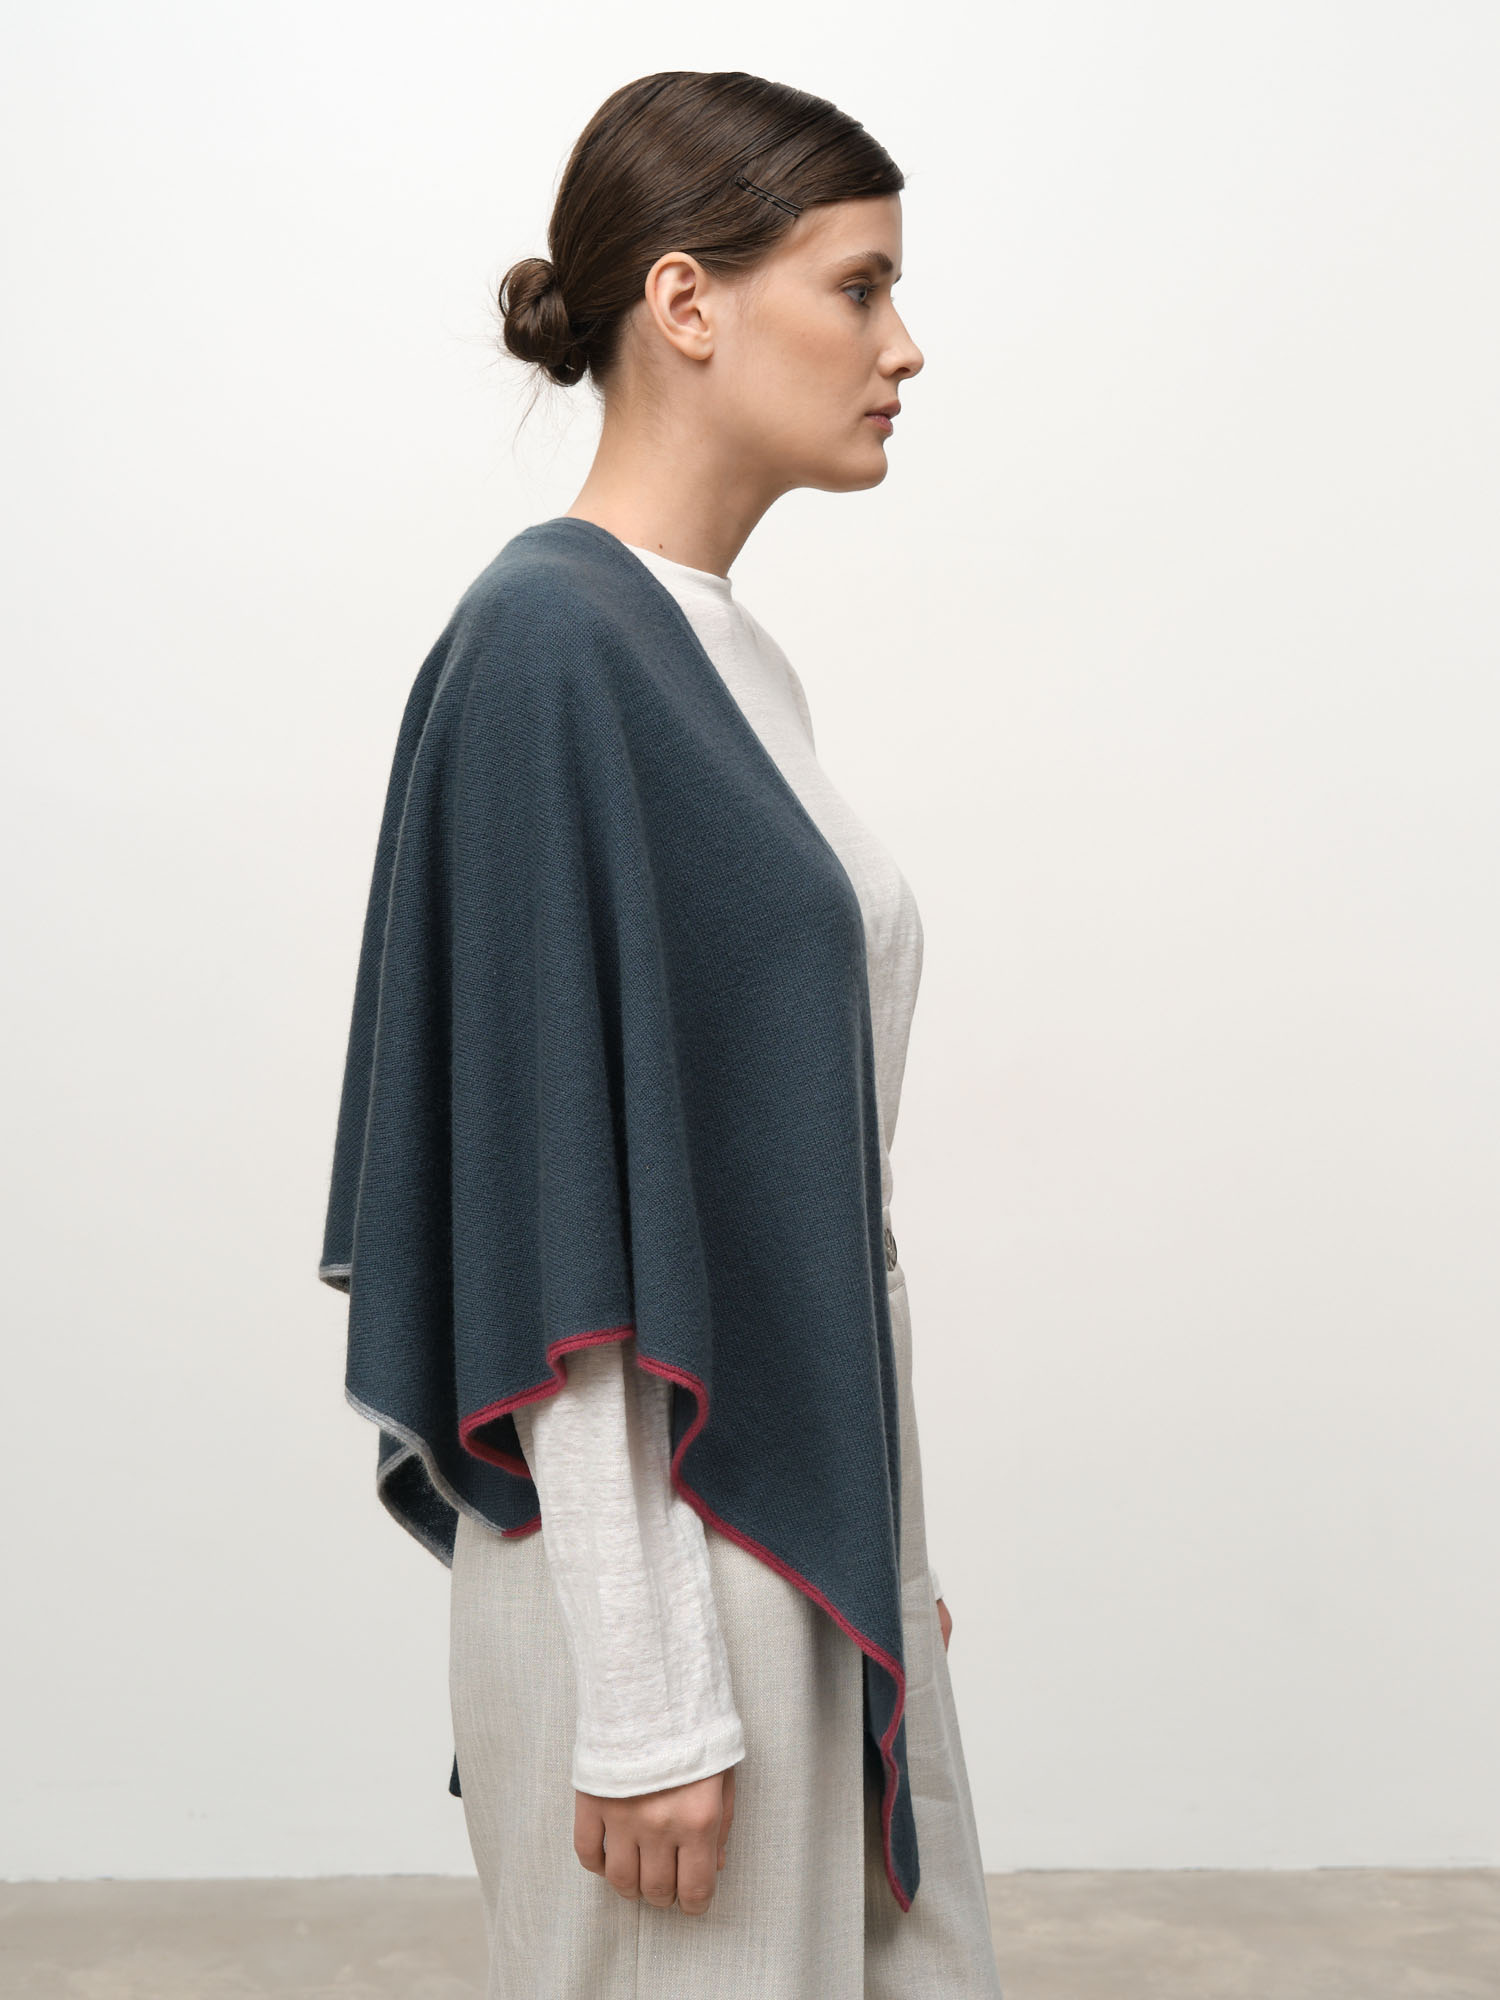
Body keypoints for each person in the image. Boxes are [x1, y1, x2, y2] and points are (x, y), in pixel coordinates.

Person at [324, 68, 1003, 2000]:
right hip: (668, 1579)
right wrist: (642, 1698)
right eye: (859, 288)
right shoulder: (552, 645)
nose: (905, 347)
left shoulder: (719, 650)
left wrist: (883, 1549)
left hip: (788, 1540)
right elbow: (558, 1224)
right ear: (688, 303)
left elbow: (780, 1183)